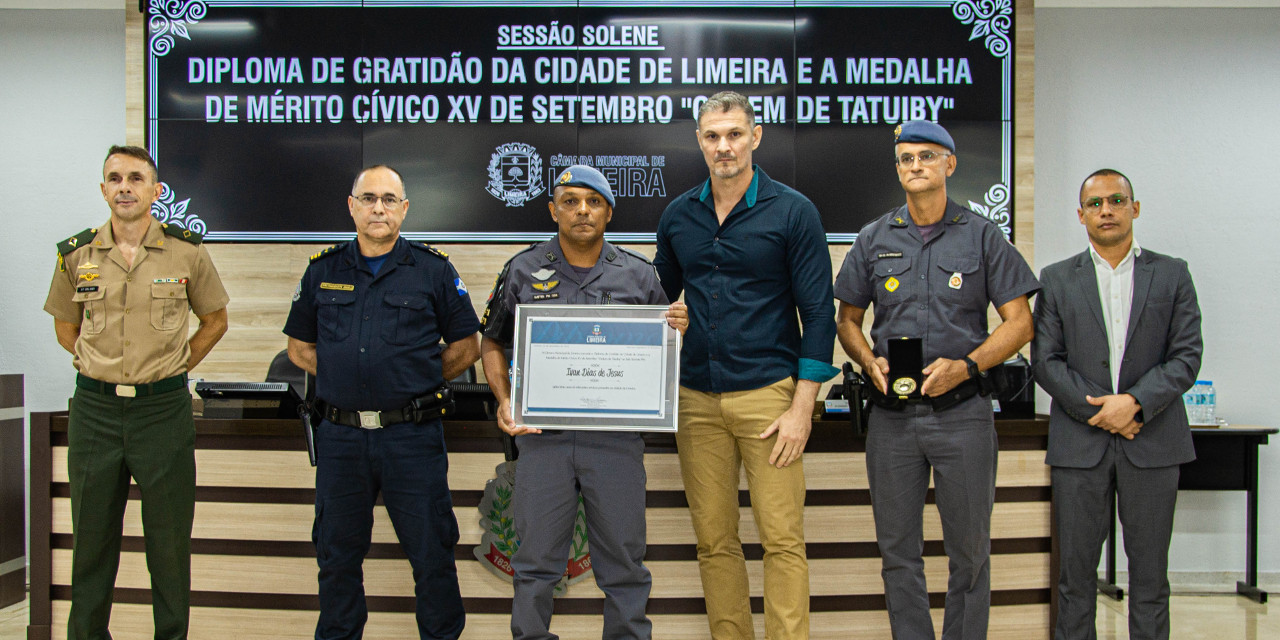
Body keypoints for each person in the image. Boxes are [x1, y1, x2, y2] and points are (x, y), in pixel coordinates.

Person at [834, 121, 1039, 639]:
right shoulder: (874, 237)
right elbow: (847, 321)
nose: (915, 166)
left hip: (963, 416)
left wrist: (967, 366)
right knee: (898, 553)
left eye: (927, 156)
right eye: (905, 158)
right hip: (892, 420)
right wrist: (867, 360)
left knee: (969, 553)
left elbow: (1020, 322)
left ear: (949, 163)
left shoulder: (983, 234)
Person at [653, 90, 837, 640]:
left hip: (769, 399)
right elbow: (658, 300)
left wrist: (803, 407)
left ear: (755, 137)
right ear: (699, 142)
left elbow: (819, 315)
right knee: (714, 543)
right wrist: (669, 317)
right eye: (712, 135)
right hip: (696, 401)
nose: (724, 146)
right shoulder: (678, 215)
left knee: (782, 540)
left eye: (734, 134)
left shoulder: (793, 210)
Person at [480, 164, 688, 640]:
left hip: (614, 443)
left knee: (624, 564)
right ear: (553, 209)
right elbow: (490, 341)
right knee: (534, 566)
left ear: (609, 212)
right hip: (542, 441)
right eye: (570, 201)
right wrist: (504, 400)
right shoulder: (523, 269)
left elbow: (665, 351)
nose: (582, 211)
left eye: (593, 202)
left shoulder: (639, 275)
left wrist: (679, 330)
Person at [283, 165, 481, 640]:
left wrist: (414, 379)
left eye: (389, 199)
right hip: (341, 440)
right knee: (336, 558)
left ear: (404, 209)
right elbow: (299, 349)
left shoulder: (434, 270)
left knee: (432, 556)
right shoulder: (322, 270)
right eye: (368, 198)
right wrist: (343, 376)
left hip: (411, 438)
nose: (378, 208)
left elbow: (467, 346)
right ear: (351, 206)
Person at [44, 145, 230, 640]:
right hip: (95, 412)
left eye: (135, 178)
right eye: (114, 178)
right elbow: (67, 329)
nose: (124, 186)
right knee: (91, 545)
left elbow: (215, 321)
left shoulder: (187, 251)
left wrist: (175, 366)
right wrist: (99, 366)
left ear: (155, 190)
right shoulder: (76, 255)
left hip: (162, 412)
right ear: (103, 189)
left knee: (168, 547)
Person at [1032, 169, 1201, 640]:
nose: (1105, 210)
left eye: (1116, 200)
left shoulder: (1172, 273)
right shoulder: (1057, 279)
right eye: (1095, 204)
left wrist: (1135, 404)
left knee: (1149, 580)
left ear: (1135, 208)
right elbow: (1046, 362)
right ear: (1081, 214)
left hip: (1154, 442)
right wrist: (1103, 412)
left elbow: (1186, 356)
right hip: (1079, 447)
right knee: (1074, 579)